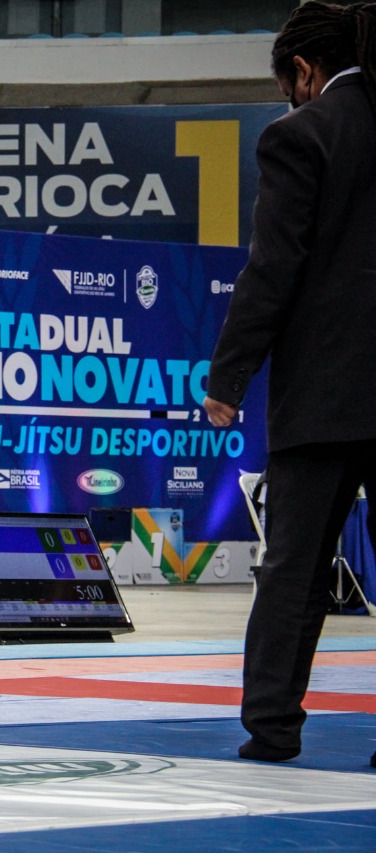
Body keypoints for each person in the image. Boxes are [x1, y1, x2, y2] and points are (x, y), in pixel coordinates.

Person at [203, 1, 376, 767]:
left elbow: (272, 270)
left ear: (304, 71)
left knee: (295, 569)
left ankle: (272, 725)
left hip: (325, 397)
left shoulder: (300, 135)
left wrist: (227, 377)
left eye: (287, 85)